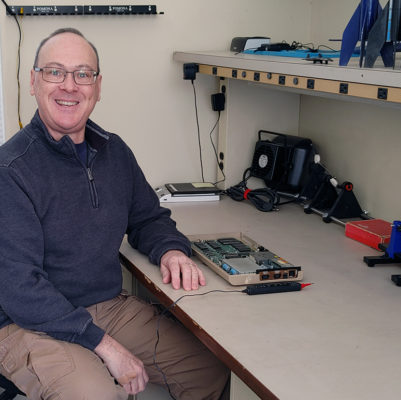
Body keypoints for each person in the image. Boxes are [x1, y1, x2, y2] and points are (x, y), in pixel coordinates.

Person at [0, 28, 229, 400]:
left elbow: (148, 218)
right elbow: (21, 289)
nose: (69, 85)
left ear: (97, 86)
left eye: (82, 74)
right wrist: (105, 346)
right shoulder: (10, 170)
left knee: (211, 370)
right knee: (96, 395)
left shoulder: (114, 152)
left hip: (104, 307)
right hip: (26, 323)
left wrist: (171, 250)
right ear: (33, 81)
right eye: (55, 72)